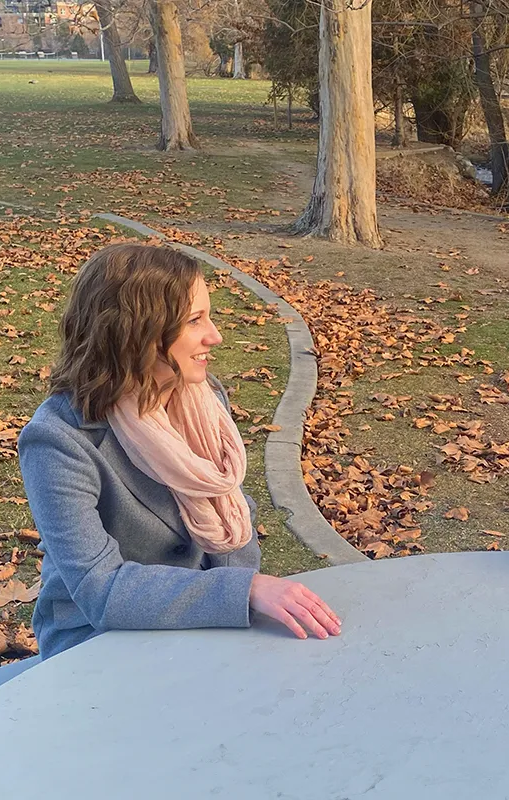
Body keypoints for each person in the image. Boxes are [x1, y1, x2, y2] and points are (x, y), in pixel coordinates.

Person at [19, 243, 341, 658]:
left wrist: (239, 599)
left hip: (202, 619)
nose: (216, 336)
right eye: (195, 320)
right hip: (97, 643)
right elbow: (101, 590)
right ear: (136, 334)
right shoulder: (59, 441)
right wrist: (245, 592)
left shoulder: (204, 402)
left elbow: (232, 516)